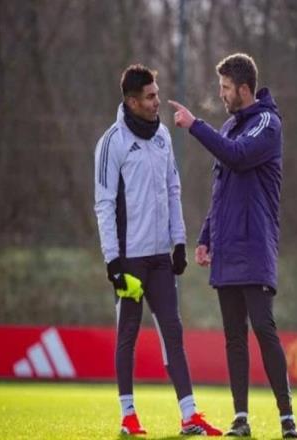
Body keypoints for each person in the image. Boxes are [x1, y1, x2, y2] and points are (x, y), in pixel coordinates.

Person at [169, 53, 297, 439]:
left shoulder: (267, 123)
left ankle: (287, 418)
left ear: (244, 89)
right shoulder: (229, 126)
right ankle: (240, 418)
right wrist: (206, 236)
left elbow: (239, 158)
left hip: (255, 245)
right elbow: (221, 190)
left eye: (225, 87)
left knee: (263, 327)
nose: (221, 93)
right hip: (227, 248)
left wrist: (195, 125)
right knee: (233, 336)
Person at [94, 64, 222, 436]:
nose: (157, 101)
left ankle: (189, 416)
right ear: (132, 101)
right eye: (150, 96)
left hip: (161, 258)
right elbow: (103, 204)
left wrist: (178, 242)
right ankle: (128, 416)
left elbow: (172, 189)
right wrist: (113, 262)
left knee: (173, 332)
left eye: (157, 93)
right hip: (129, 260)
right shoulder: (111, 143)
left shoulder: (163, 136)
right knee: (128, 335)